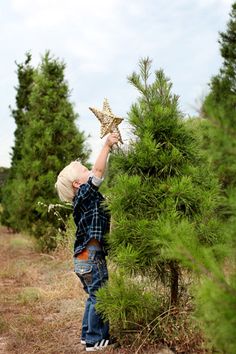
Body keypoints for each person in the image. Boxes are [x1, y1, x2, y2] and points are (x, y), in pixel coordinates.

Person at [55, 133, 119, 352]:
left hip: (81, 258)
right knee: (100, 295)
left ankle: (86, 335)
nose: (89, 170)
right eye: (84, 170)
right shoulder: (84, 193)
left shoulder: (85, 199)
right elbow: (99, 172)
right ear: (77, 183)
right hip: (91, 255)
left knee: (93, 296)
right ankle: (96, 339)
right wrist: (107, 145)